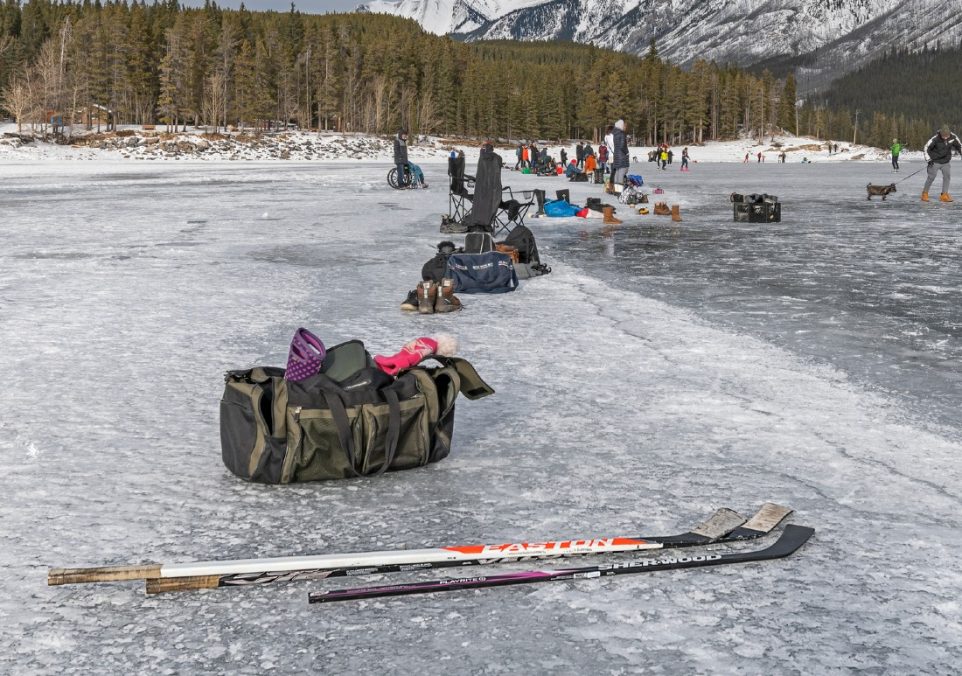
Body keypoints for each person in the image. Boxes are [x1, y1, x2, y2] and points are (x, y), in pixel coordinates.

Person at [921, 124, 962, 202]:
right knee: (931, 177)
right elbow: (926, 148)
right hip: (934, 161)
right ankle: (925, 194)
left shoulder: (953, 137)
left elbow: (959, 146)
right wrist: (928, 159)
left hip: (945, 161)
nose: (945, 137)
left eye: (947, 135)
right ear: (941, 133)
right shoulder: (935, 139)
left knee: (947, 177)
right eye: (944, 136)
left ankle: (944, 195)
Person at [610, 119, 630, 188]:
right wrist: (626, 152)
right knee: (622, 172)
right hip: (621, 156)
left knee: (617, 172)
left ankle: (616, 189)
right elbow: (622, 146)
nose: (625, 127)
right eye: (624, 125)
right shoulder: (622, 134)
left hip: (616, 155)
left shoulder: (615, 134)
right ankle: (619, 190)